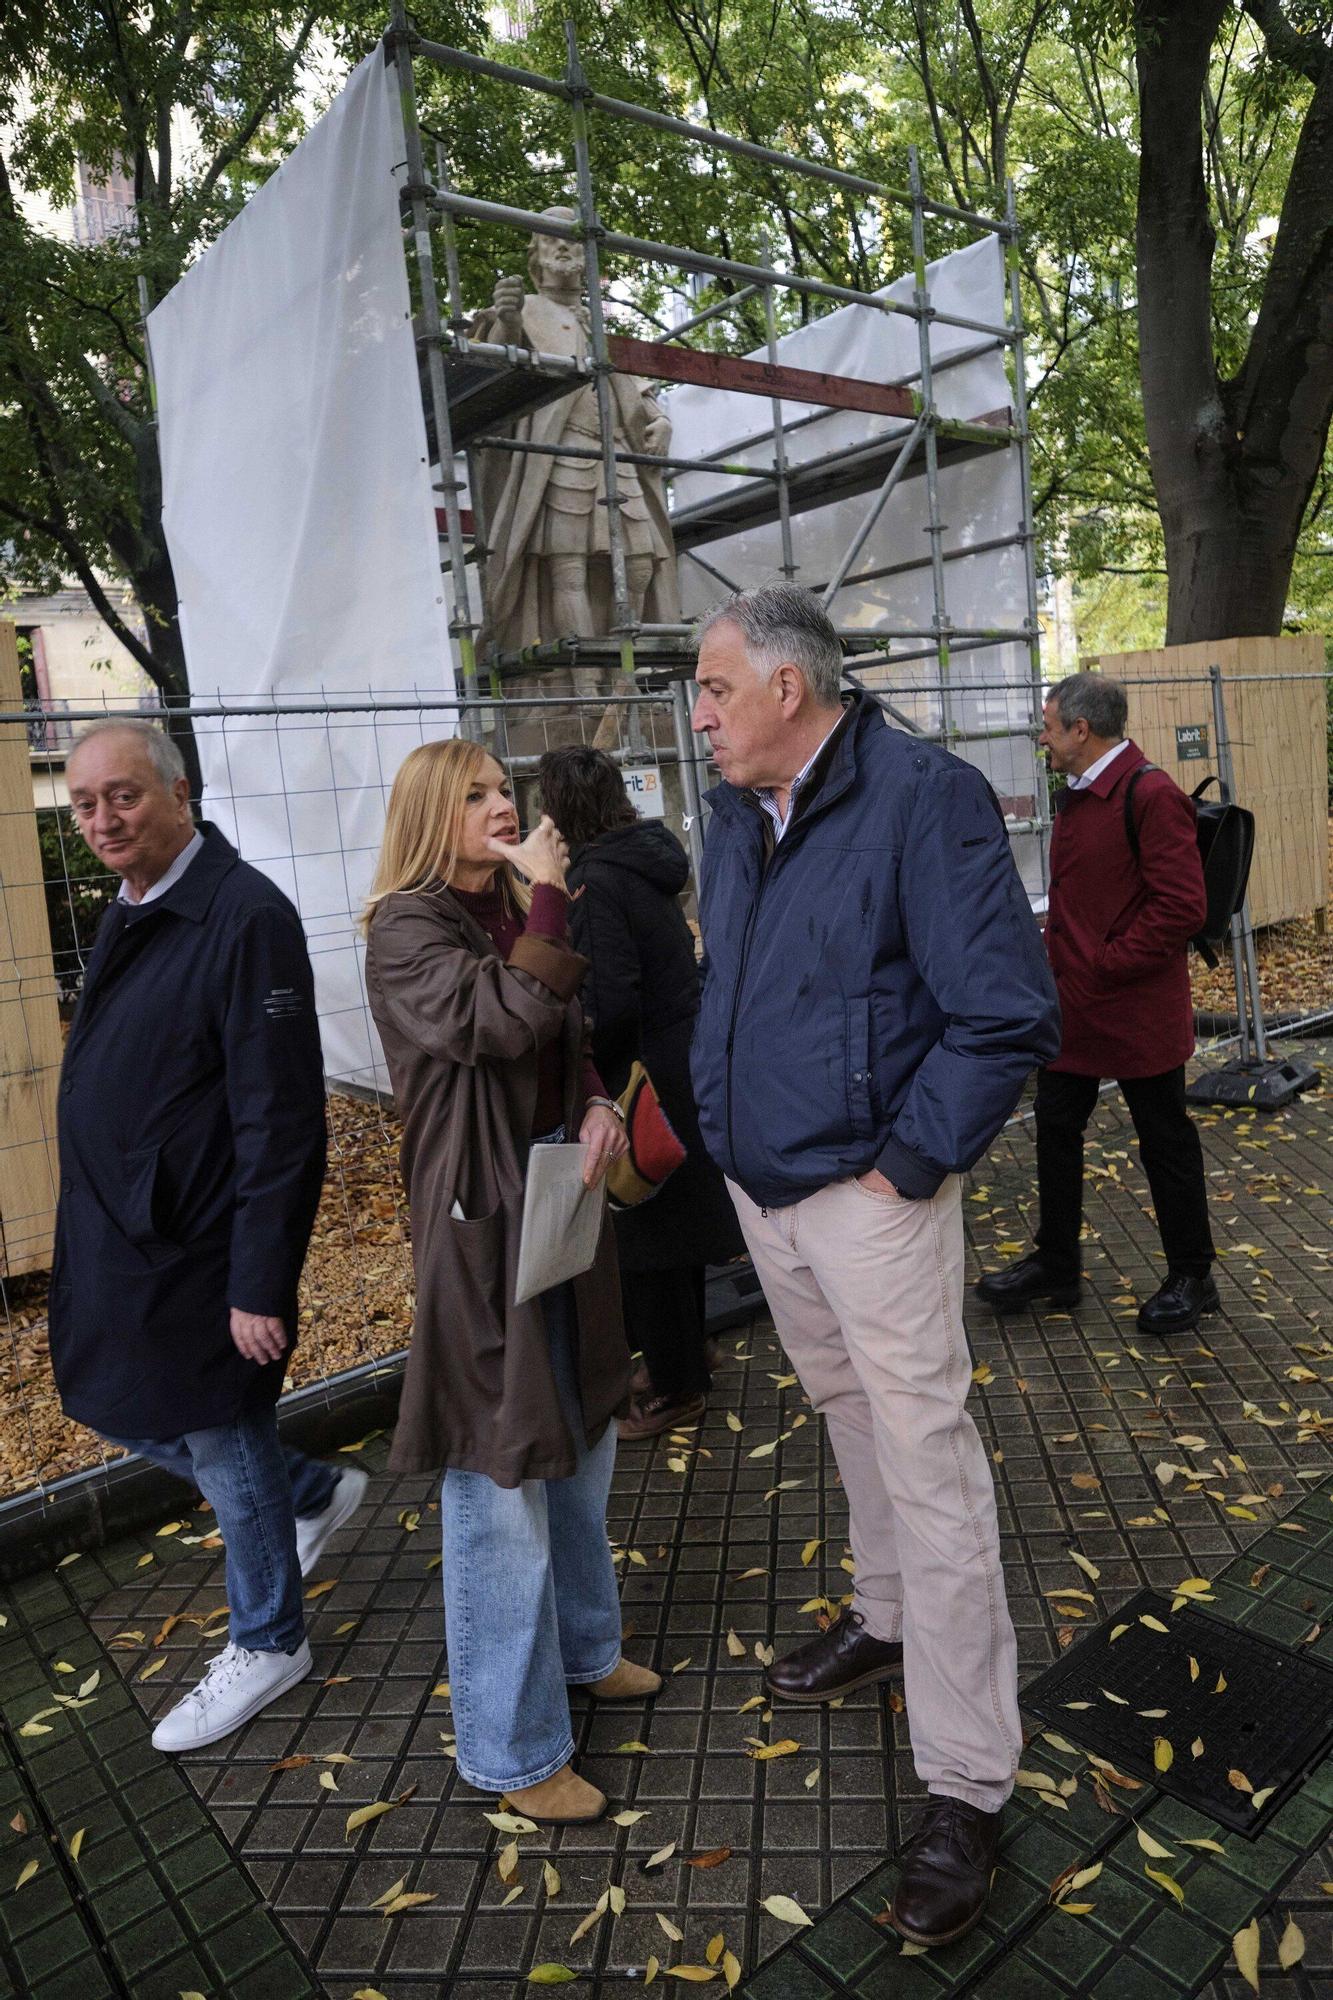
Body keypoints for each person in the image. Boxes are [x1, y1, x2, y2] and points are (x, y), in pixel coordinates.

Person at [689, 584, 1061, 1947]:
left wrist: (906, 1168)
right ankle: (886, 1617)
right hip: (762, 1186)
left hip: (868, 1193)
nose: (701, 710)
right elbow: (733, 976)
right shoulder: (736, 812)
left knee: (927, 1454)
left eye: (717, 686)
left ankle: (966, 1782)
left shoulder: (922, 796)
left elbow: (1008, 1011)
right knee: (847, 1412)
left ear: (790, 685)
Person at [51, 721, 366, 1753]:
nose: (102, 819)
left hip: (201, 1242)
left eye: (124, 797)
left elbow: (281, 1115)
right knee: (103, 1391)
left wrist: (259, 1279)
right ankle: (312, 1488)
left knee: (219, 1426)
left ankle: (271, 1636)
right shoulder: (134, 906)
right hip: (128, 1226)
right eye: (86, 802)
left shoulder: (242, 916)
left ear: (178, 791)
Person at [363, 737, 658, 1826]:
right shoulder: (406, 924)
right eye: (476, 793)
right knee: (500, 1474)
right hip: (483, 1220)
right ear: (432, 813)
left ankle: (587, 1649)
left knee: (580, 1431)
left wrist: (595, 1100)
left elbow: (561, 1035)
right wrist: (546, 901)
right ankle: (513, 1747)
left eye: (504, 790)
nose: (501, 805)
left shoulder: (509, 909)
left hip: (557, 1200)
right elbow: (498, 1020)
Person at [975, 672, 1217, 1334]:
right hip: (1074, 1012)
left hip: (1134, 1011)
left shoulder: (1149, 793)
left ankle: (1192, 1277)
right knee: (1054, 1130)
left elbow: (1181, 906)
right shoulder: (1082, 796)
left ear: (1081, 730)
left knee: (1163, 1141)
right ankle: (1056, 1265)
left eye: (1047, 726)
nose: (1040, 737)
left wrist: (1106, 964)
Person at [537, 746, 745, 1440]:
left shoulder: (594, 881)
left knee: (646, 1238)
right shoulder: (642, 859)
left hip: (640, 1076)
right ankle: (687, 1354)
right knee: (676, 1225)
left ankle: (676, 1386)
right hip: (678, 1063)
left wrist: (582, 1049)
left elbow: (612, 995)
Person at [471, 205, 680, 680]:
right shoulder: (525, 310)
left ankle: (627, 683)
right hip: (562, 457)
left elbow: (637, 391)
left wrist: (660, 420)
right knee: (570, 571)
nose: (563, 246)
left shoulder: (599, 322)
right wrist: (505, 320)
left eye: (572, 240)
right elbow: (498, 365)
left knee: (640, 565)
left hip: (617, 457)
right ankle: (586, 687)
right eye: (551, 239)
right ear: (537, 257)